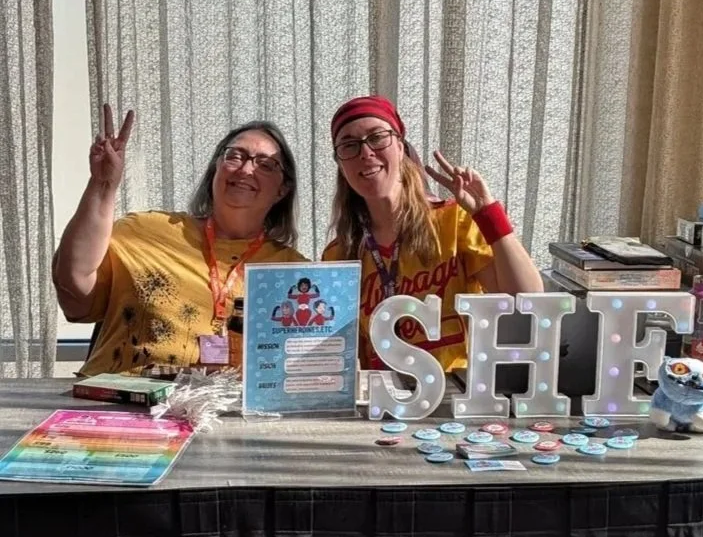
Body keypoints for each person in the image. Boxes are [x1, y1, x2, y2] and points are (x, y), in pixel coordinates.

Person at [54, 105, 306, 375]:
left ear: (282, 189)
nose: (245, 170)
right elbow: (75, 289)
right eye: (235, 156)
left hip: (231, 410)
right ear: (216, 169)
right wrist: (103, 185)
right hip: (124, 403)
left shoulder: (293, 272)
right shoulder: (144, 231)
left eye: (266, 165)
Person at [322, 95, 543, 372]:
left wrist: (489, 214)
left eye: (377, 137)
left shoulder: (453, 221)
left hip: (454, 394)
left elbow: (527, 298)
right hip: (383, 400)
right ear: (340, 164)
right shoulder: (339, 253)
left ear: (400, 146)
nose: (365, 153)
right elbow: (341, 351)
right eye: (349, 145)